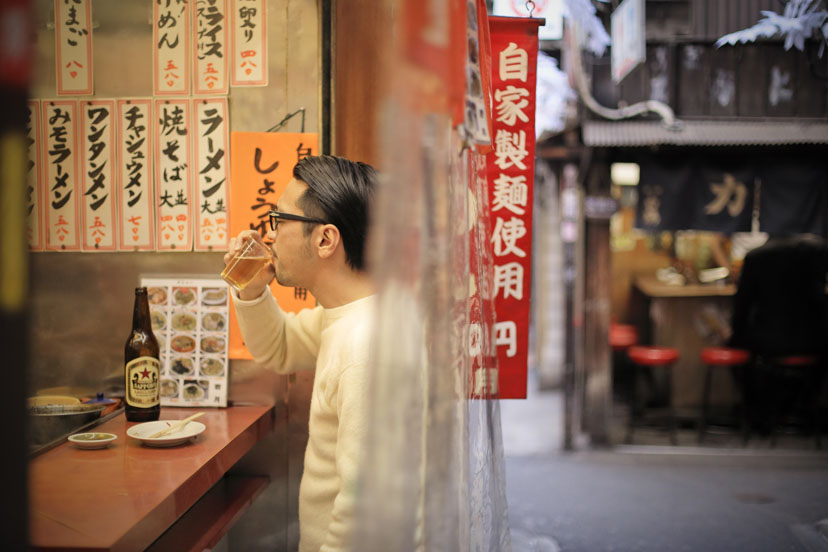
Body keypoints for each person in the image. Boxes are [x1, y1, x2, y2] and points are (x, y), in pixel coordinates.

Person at [224, 155, 378, 551]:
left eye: (280, 220)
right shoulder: (345, 317)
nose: (269, 236)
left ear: (325, 240)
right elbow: (280, 348)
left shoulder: (367, 345)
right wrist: (252, 288)